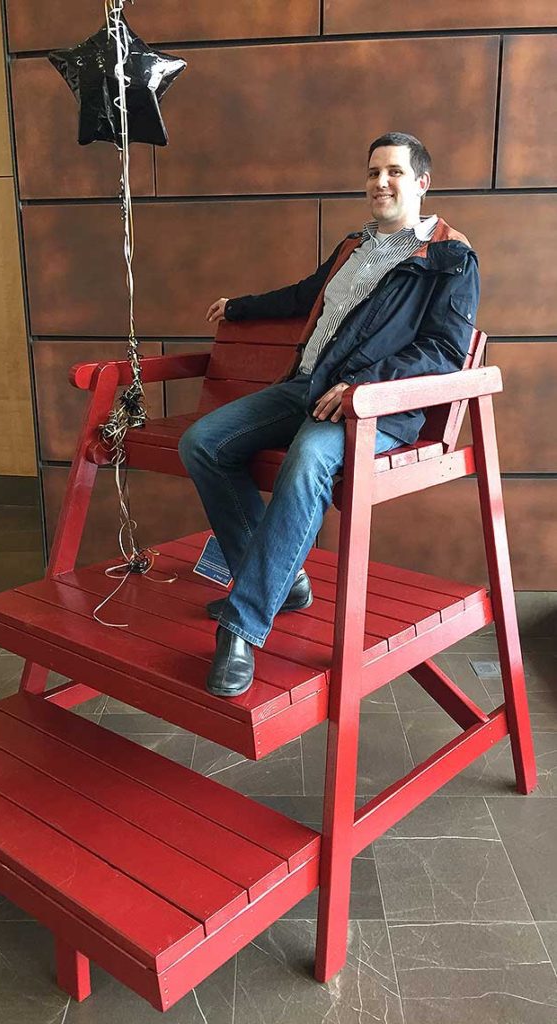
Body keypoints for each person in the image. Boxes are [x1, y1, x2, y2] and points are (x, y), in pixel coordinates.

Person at [178, 132, 480, 698]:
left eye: (393, 172)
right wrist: (240, 306)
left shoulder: (450, 257)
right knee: (204, 443)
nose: (380, 183)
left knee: (307, 459)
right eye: (372, 172)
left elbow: (441, 350)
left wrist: (359, 388)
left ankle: (242, 625)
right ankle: (277, 582)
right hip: (304, 388)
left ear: (422, 182)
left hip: (375, 408)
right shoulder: (354, 247)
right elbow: (305, 295)